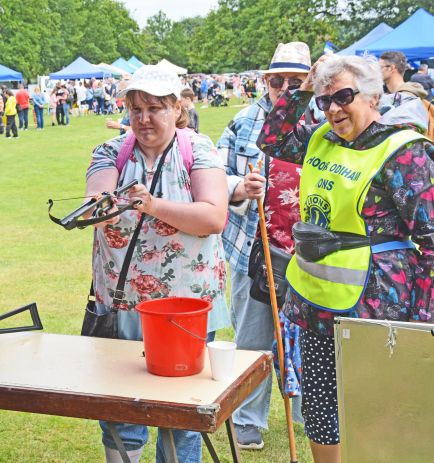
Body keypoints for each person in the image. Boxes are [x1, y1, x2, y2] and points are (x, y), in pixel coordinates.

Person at [257, 54, 434, 463]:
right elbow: (271, 138)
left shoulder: (403, 151)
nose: (334, 108)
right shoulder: (320, 138)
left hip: (379, 309)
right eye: (325, 100)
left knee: (377, 411)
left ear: (372, 96)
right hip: (317, 300)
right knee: (321, 408)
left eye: (344, 96)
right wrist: (303, 90)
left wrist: (423, 326)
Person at [85, 63, 230, 463]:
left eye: (155, 108)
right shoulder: (111, 151)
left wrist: (151, 205)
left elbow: (213, 217)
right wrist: (100, 208)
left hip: (186, 308)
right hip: (124, 303)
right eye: (137, 110)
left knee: (181, 413)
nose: (145, 119)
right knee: (122, 409)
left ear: (176, 108)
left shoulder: (197, 149)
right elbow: (97, 198)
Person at [216, 41, 317, 450]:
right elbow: (214, 176)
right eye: (279, 80)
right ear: (266, 80)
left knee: (308, 337)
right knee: (253, 339)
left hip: (311, 250)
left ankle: (308, 414)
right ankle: (248, 420)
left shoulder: (325, 121)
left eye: (297, 80)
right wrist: (239, 188)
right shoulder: (243, 121)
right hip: (251, 247)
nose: (286, 88)